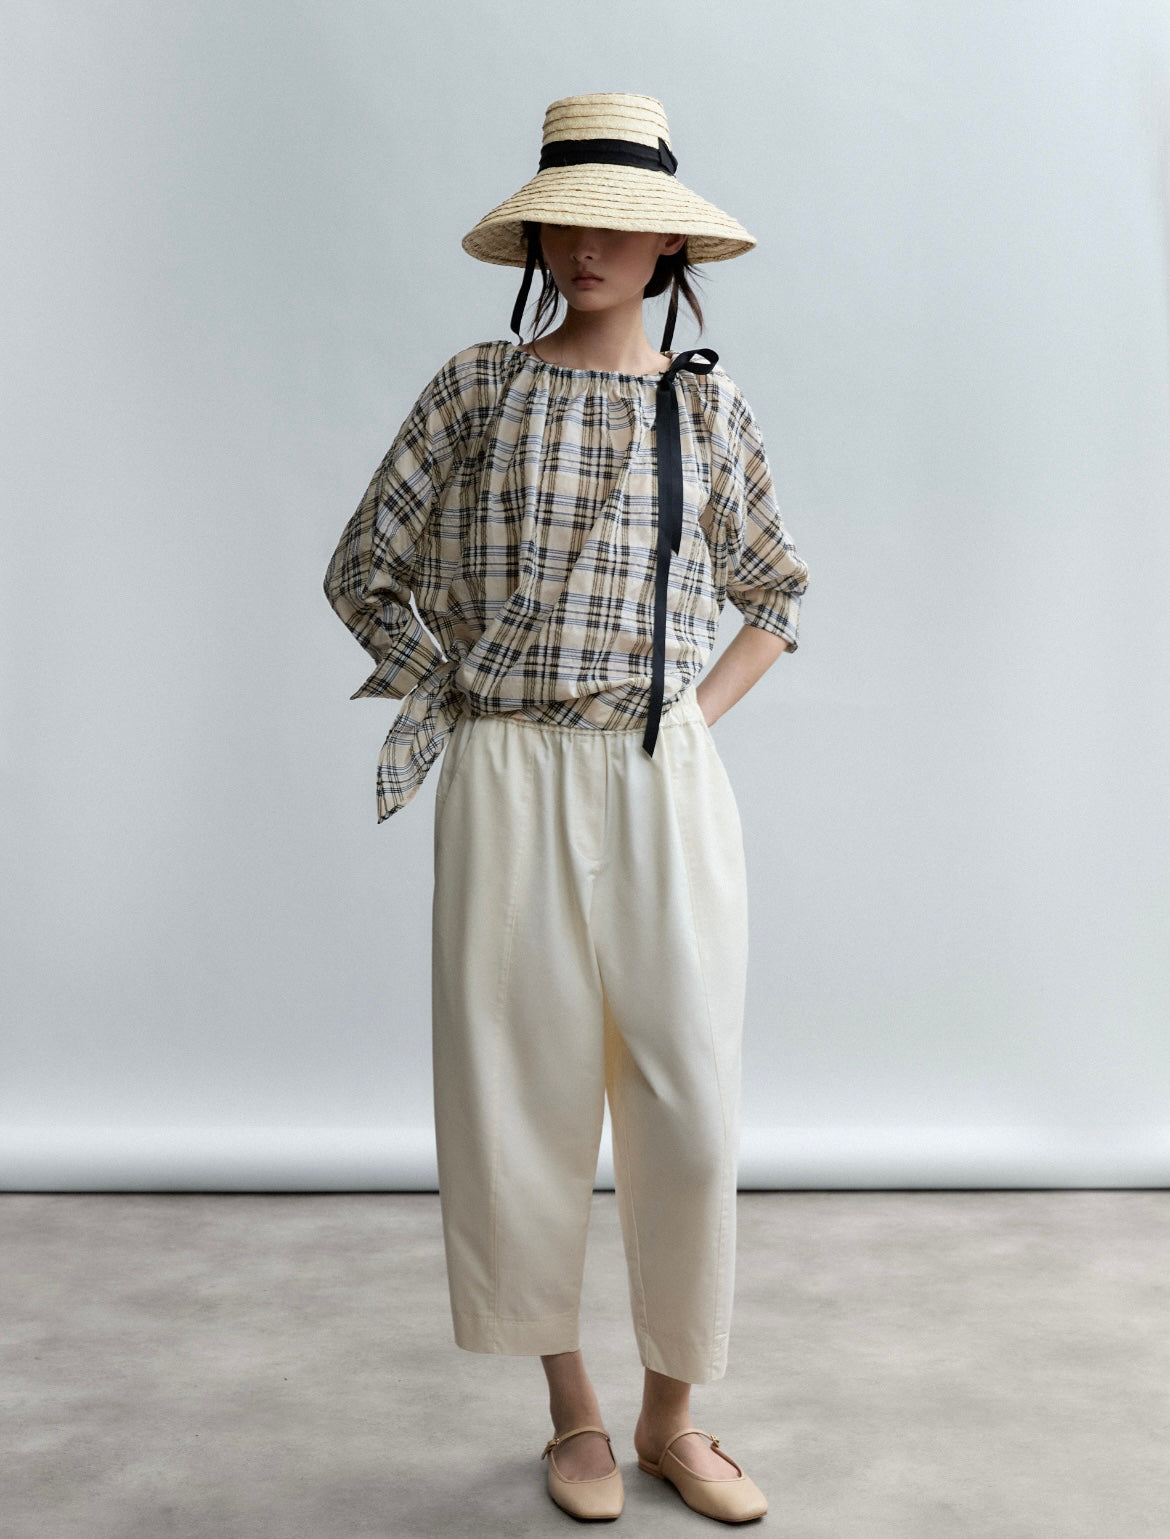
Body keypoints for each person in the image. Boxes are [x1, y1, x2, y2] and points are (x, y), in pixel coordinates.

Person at [323, 91, 809, 1524]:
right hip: (505, 773)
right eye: (560, 220)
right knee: (515, 1089)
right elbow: (363, 568)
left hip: (660, 775)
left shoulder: (706, 405)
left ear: (667, 248)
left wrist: (687, 720)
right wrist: (459, 688)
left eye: (615, 223)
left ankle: (673, 1418)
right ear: (533, 236)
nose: (583, 246)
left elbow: (776, 594)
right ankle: (572, 1410)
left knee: (688, 1099)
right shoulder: (475, 388)